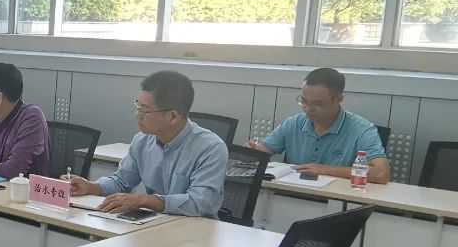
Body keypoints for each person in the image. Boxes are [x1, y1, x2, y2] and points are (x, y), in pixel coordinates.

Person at [65, 70, 227, 217]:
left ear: (173, 116)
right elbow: (121, 180)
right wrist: (91, 187)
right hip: (155, 224)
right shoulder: (142, 140)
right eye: (138, 106)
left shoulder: (211, 148)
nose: (137, 115)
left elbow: (200, 203)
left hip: (196, 231)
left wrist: (145, 200)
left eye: (145, 110)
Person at [247, 67, 389, 184]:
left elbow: (381, 174)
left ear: (338, 99)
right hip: (292, 194)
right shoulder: (293, 123)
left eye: (317, 104)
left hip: (337, 200)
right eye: (304, 101)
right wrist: (252, 151)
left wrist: (326, 170)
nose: (308, 108)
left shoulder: (362, 130)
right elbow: (264, 151)